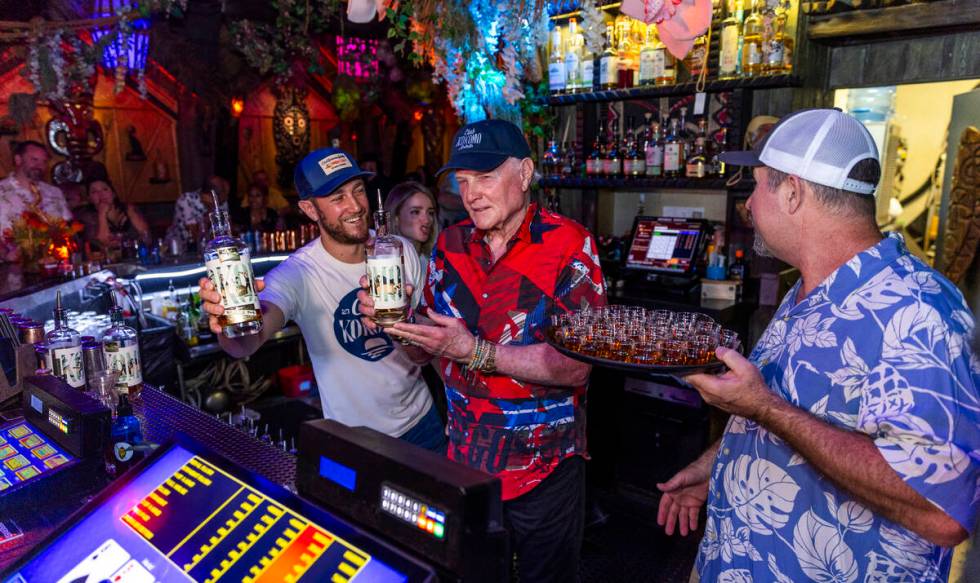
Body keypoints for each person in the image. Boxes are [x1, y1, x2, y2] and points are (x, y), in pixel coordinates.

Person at [656, 109, 980, 582]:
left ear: (792, 192)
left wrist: (765, 407)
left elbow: (943, 511)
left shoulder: (920, 313)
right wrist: (715, 467)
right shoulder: (811, 287)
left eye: (757, 186)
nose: (748, 204)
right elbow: (797, 412)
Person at [358, 119, 606, 582]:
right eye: (463, 181)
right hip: (467, 465)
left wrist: (474, 351)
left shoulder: (570, 245)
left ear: (526, 173)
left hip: (544, 470)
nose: (471, 193)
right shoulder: (450, 247)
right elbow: (426, 355)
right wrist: (399, 329)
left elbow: (576, 369)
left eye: (485, 177)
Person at [198, 148, 444, 453]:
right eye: (337, 198)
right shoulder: (298, 273)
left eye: (358, 191)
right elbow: (247, 343)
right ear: (310, 209)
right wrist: (227, 320)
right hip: (354, 440)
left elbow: (431, 347)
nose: (355, 206)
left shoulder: (400, 252)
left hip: (422, 423)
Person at [0, 140, 73, 261]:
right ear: (18, 160)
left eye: (44, 161)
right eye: (34, 160)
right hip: (10, 268)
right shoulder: (2, 191)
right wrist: (5, 254)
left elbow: (68, 229)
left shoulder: (54, 192)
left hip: (54, 265)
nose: (40, 166)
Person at [75, 178, 152, 251]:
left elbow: (146, 236)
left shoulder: (128, 209)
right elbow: (103, 242)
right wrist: (102, 214)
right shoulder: (87, 216)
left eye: (105, 189)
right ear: (90, 198)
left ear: (113, 193)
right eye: (94, 192)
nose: (100, 194)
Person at [166, 175, 231, 250]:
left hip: (210, 249)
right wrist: (211, 209)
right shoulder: (186, 200)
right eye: (224, 194)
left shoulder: (222, 202)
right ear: (211, 194)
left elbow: (227, 231)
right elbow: (195, 235)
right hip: (179, 250)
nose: (226, 197)